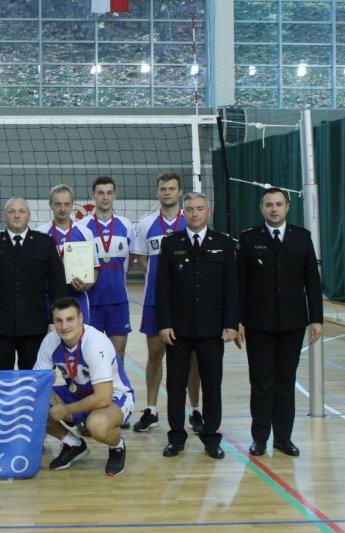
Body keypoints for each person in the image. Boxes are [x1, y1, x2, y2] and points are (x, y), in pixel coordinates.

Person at [236, 187, 323, 457]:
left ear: (287, 207)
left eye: (279, 204)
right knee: (261, 383)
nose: (274, 209)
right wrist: (238, 321)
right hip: (258, 324)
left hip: (292, 324)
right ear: (261, 208)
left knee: (285, 382)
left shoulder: (302, 237)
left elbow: (312, 280)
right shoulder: (249, 238)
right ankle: (260, 438)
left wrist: (316, 319)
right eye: (269, 204)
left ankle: (283, 438)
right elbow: (240, 283)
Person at [156, 193, 238, 460]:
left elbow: (231, 286)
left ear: (208, 212)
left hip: (212, 329)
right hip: (178, 330)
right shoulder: (171, 243)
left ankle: (211, 438)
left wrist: (231, 323)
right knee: (176, 385)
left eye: (200, 209)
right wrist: (164, 323)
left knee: (212, 385)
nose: (195, 214)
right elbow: (162, 287)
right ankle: (176, 437)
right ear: (184, 212)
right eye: (190, 209)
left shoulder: (224, 243)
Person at [131, 172, 203, 434]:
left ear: (179, 191)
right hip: (154, 300)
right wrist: (159, 279)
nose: (167, 192)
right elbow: (140, 257)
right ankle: (151, 410)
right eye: (163, 188)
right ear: (158, 192)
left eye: (172, 188)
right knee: (154, 354)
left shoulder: (191, 220)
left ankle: (195, 410)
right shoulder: (146, 223)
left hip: (187, 301)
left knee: (192, 357)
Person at [34, 297, 134, 477]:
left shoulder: (95, 343)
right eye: (59, 320)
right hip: (78, 392)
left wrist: (65, 410)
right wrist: (46, 397)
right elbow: (38, 381)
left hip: (113, 396)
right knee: (34, 403)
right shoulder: (51, 341)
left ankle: (117, 446)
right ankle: (73, 444)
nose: (64, 326)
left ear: (80, 318)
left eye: (70, 319)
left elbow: (103, 397)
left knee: (96, 425)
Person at [0, 197, 65, 370]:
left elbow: (58, 285)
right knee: (0, 380)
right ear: (4, 216)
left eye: (21, 211)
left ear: (29, 215)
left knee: (34, 379)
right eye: (12, 211)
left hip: (36, 327)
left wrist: (55, 320)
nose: (17, 216)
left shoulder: (45, 243)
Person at [71, 176, 133, 361]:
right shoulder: (81, 227)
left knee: (118, 357)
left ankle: (117, 383)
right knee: (90, 357)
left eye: (109, 193)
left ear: (115, 195)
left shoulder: (126, 225)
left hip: (118, 301)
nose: (105, 197)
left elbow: (129, 262)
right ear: (93, 196)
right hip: (91, 302)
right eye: (100, 193)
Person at [35, 184, 94, 325]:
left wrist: (86, 285)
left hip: (77, 297)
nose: (62, 209)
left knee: (79, 337)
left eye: (67, 204)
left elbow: (95, 269)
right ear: (50, 204)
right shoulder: (39, 234)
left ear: (72, 205)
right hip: (48, 298)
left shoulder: (85, 232)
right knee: (50, 337)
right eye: (58, 204)